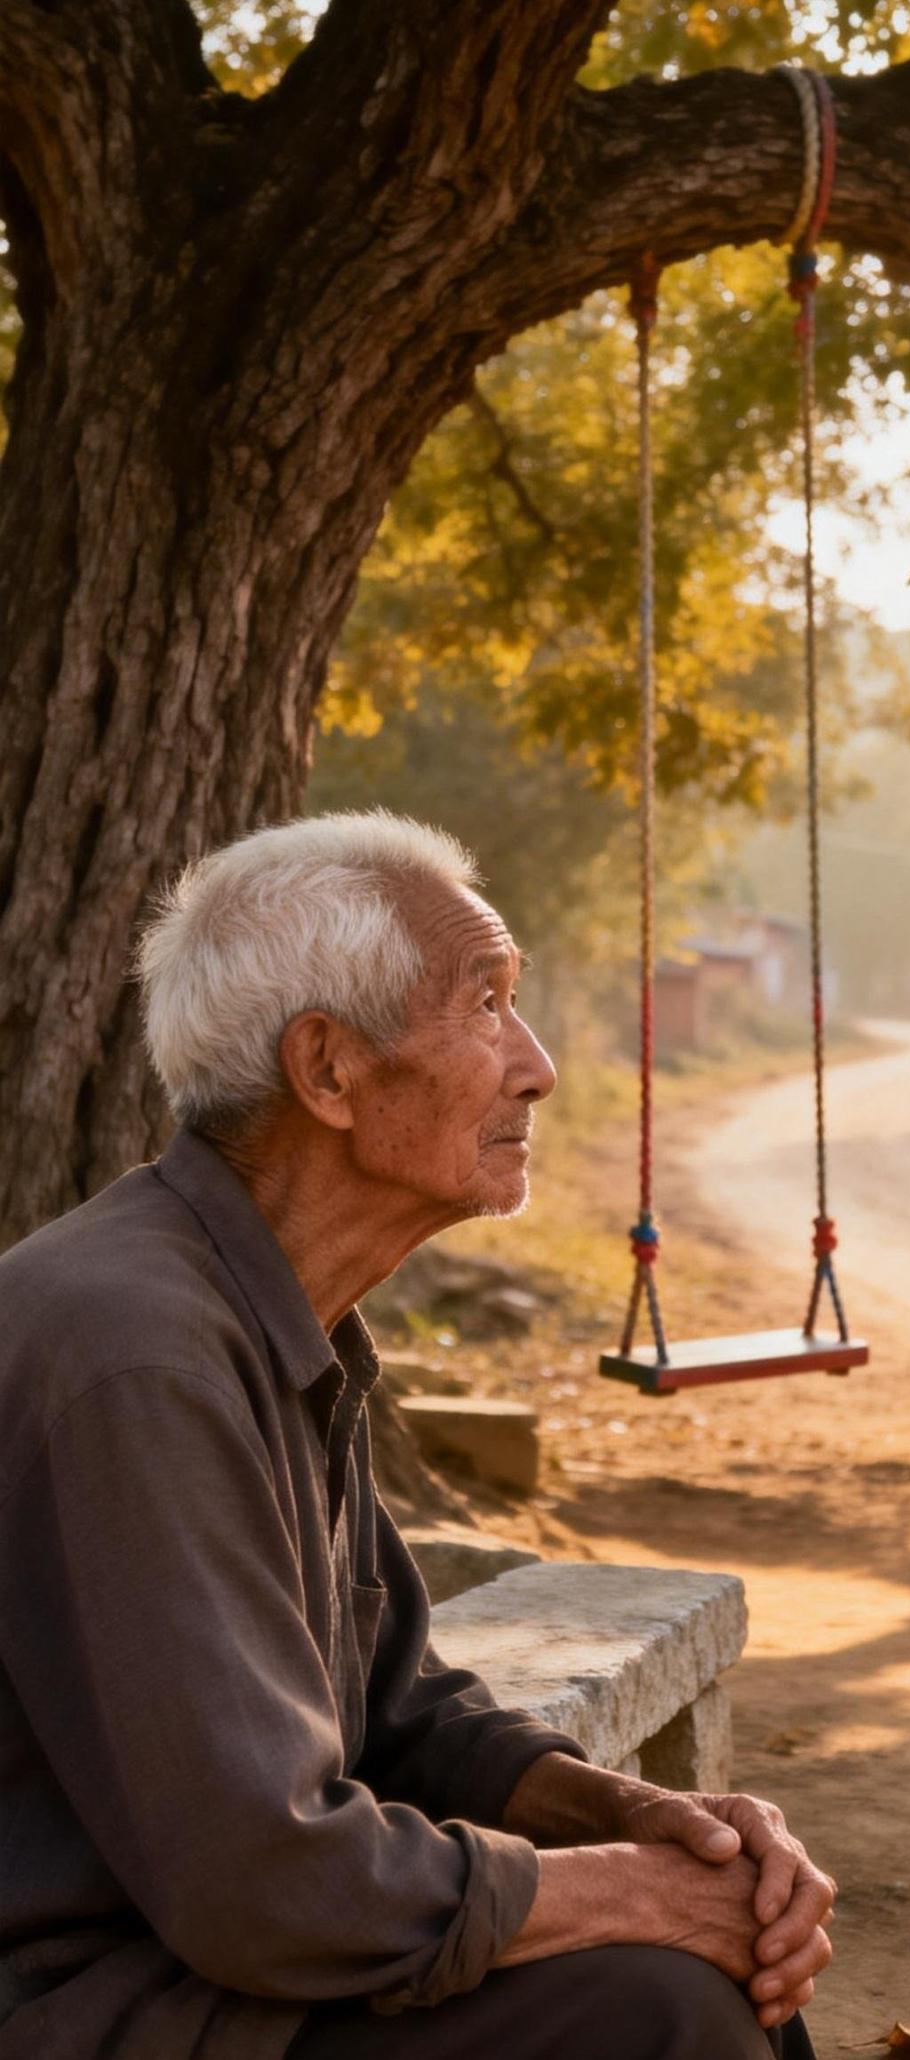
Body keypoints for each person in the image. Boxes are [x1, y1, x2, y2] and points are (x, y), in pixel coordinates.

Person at [0, 811, 836, 2060]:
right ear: (328, 1069)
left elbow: (397, 1706)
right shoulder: (137, 1354)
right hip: (93, 2003)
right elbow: (262, 1879)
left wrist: (647, 1821)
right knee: (661, 2003)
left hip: (210, 1964)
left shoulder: (270, 1311)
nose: (537, 1066)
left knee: (704, 1949)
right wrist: (633, 1893)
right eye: (486, 1003)